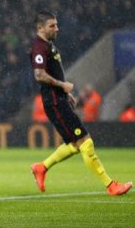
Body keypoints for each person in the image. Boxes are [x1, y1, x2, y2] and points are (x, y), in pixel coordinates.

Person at [29, 11, 132, 196]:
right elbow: (39, 74)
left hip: (59, 99)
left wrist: (65, 93)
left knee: (75, 144)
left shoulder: (48, 46)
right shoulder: (39, 47)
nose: (57, 28)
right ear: (40, 28)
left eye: (56, 24)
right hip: (53, 102)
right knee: (86, 142)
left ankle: (41, 167)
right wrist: (63, 86)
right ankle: (110, 185)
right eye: (52, 25)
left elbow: (52, 72)